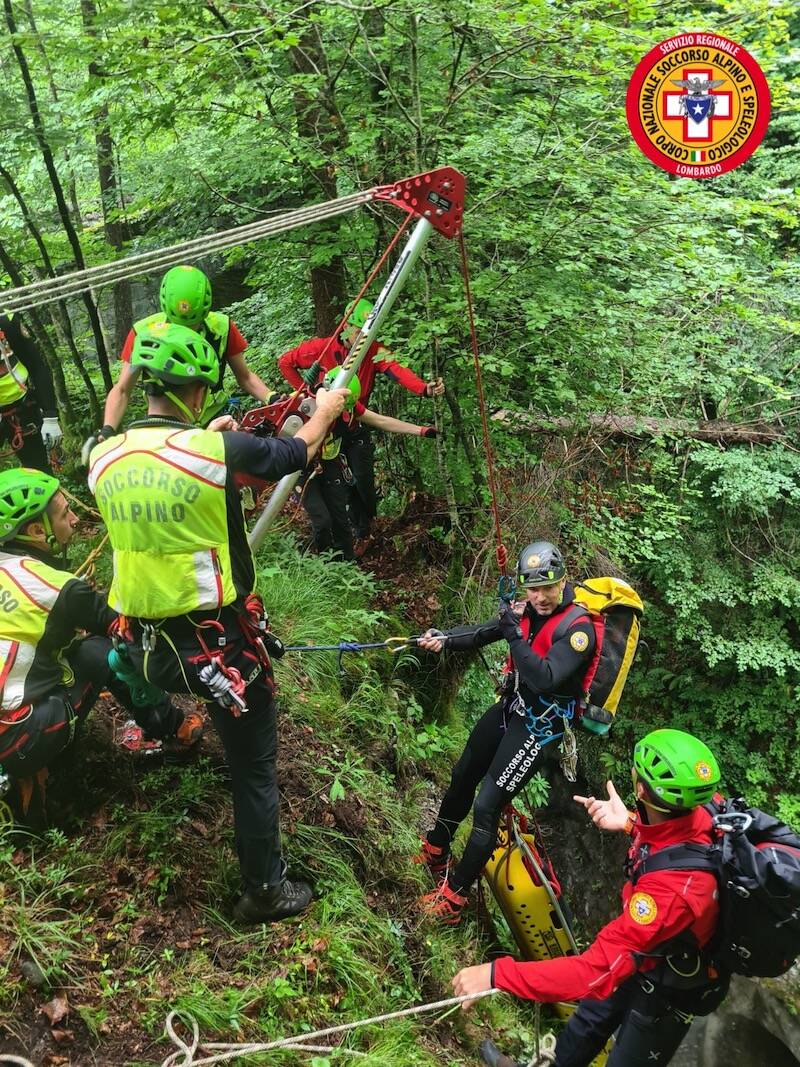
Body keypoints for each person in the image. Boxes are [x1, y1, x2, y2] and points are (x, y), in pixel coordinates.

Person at [87, 321, 349, 923]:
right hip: (214, 652)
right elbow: (293, 451)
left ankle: (167, 730)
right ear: (198, 391)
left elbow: (156, 472)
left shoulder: (101, 456)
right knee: (253, 768)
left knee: (133, 672)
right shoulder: (212, 452)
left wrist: (206, 438)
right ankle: (264, 890)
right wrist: (328, 408)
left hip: (143, 648)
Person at [452, 729, 730, 1067]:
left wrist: (497, 975)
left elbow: (591, 974)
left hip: (672, 987)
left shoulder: (670, 895)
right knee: (585, 1026)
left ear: (641, 789)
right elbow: (681, 845)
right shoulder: (707, 809)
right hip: (650, 952)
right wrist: (630, 823)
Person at [0, 468, 195, 828]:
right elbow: (121, 624)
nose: (74, 519)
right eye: (63, 514)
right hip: (17, 737)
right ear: (35, 531)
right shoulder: (57, 588)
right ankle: (174, 730)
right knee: (101, 650)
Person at [415, 541, 596, 923]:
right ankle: (436, 848)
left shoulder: (578, 630)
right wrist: (443, 638)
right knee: (463, 774)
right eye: (533, 589)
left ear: (562, 581)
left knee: (487, 806)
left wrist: (513, 633)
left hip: (539, 727)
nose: (541, 597)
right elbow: (482, 633)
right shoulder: (525, 611)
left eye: (548, 587)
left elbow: (545, 677)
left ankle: (455, 896)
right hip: (511, 707)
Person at [278, 298, 445, 538]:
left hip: (357, 420)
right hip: (328, 427)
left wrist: (424, 389)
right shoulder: (322, 348)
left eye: (367, 332)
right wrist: (310, 394)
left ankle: (367, 528)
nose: (363, 337)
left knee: (364, 479)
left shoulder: (373, 350)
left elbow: (397, 370)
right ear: (346, 327)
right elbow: (286, 362)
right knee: (339, 485)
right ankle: (347, 532)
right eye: (359, 331)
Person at [97, 265, 274, 441]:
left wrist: (272, 398)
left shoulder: (222, 327)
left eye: (193, 325)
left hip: (216, 419)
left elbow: (245, 377)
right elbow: (122, 389)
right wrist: (107, 430)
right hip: (166, 425)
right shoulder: (143, 333)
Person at [301, 369, 438, 560]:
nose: (342, 411)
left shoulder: (347, 406)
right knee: (322, 521)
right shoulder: (305, 404)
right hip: (303, 469)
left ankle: (346, 565)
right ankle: (325, 566)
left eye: (346, 407)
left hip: (330, 465)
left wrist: (421, 431)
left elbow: (381, 420)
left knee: (340, 518)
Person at [0, 315, 61, 473]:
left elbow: (36, 366)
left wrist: (50, 417)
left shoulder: (6, 320)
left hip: (21, 412)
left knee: (40, 474)